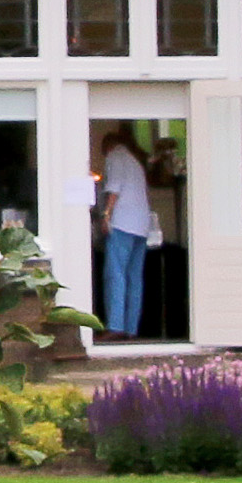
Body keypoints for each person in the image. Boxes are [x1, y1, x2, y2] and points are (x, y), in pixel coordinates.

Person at [96, 130, 158, 340]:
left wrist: (106, 215)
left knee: (116, 275)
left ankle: (115, 326)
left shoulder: (115, 157)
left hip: (122, 223)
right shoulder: (135, 162)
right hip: (141, 225)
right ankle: (131, 328)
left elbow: (114, 189)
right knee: (134, 278)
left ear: (108, 147)